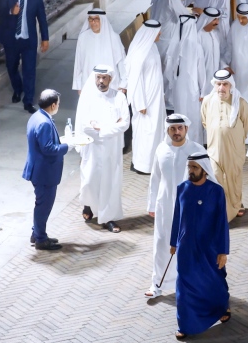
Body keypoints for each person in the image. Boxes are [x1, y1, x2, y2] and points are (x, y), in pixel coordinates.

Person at [170, 153, 230, 339]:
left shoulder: (216, 191)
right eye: (189, 167)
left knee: (213, 281)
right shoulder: (182, 189)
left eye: (195, 167)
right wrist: (174, 242)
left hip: (209, 247)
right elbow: (177, 218)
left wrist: (223, 251)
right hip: (186, 247)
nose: (191, 171)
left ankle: (220, 308)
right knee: (184, 284)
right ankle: (185, 324)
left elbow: (222, 223)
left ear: (204, 169)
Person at [146, 114, 205, 298]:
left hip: (190, 207)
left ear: (186, 129)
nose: (176, 132)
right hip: (165, 206)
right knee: (161, 243)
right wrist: (152, 204)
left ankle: (192, 286)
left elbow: (207, 177)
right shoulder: (161, 149)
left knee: (191, 247)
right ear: (167, 130)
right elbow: (155, 178)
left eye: (180, 128)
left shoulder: (197, 150)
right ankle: (157, 284)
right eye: (173, 128)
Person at [75, 65, 130, 234]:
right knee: (90, 180)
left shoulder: (119, 97)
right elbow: (85, 125)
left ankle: (108, 218)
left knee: (110, 183)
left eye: (104, 78)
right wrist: (109, 127)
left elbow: (125, 123)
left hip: (112, 150)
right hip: (92, 148)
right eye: (98, 77)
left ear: (110, 79)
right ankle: (89, 205)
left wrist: (102, 128)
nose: (100, 81)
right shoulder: (88, 97)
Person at [201, 70, 248, 221]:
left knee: (233, 179)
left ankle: (236, 205)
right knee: (215, 178)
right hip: (213, 150)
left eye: (225, 84)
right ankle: (220, 210)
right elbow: (205, 121)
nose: (221, 88)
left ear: (231, 85)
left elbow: (247, 124)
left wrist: (233, 136)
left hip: (234, 150)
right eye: (218, 84)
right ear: (214, 84)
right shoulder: (207, 101)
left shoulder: (240, 102)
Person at [0, 0, 49, 114]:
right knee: (11, 67)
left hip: (28, 40)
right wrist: (10, 12)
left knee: (29, 71)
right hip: (11, 40)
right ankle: (17, 90)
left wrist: (45, 38)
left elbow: (42, 19)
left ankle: (28, 101)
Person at [21, 88, 68, 250]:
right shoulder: (44, 122)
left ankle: (37, 233)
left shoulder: (36, 117)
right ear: (53, 105)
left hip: (39, 170)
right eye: (58, 104)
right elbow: (48, 149)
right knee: (43, 206)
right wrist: (67, 146)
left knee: (41, 204)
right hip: (44, 173)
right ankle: (40, 239)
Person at [125, 20, 166, 174]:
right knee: (145, 133)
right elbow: (135, 80)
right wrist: (140, 103)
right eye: (158, 32)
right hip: (145, 102)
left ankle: (152, 163)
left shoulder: (152, 47)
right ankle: (142, 165)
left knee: (155, 131)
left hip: (155, 99)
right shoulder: (139, 52)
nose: (160, 34)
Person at [164, 13, 205, 144]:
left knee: (180, 115)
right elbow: (201, 72)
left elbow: (169, 71)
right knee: (193, 117)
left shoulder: (174, 46)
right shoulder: (196, 47)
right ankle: (194, 144)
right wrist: (203, 91)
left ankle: (180, 142)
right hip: (192, 89)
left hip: (178, 90)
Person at [72, 9, 127, 93]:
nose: (93, 22)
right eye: (90, 19)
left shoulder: (114, 38)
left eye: (96, 19)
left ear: (102, 20)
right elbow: (78, 63)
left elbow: (122, 62)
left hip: (111, 86)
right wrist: (79, 86)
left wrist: (124, 84)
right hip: (88, 86)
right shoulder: (83, 37)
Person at [151, 0, 196, 67]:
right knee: (165, 64)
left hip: (160, 32)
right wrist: (197, 16)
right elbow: (182, 14)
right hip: (165, 34)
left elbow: (179, 4)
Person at [196, 8, 223, 96]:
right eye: (214, 19)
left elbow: (219, 56)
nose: (217, 22)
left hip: (216, 81)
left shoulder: (215, 35)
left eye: (218, 19)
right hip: (201, 83)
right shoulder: (197, 36)